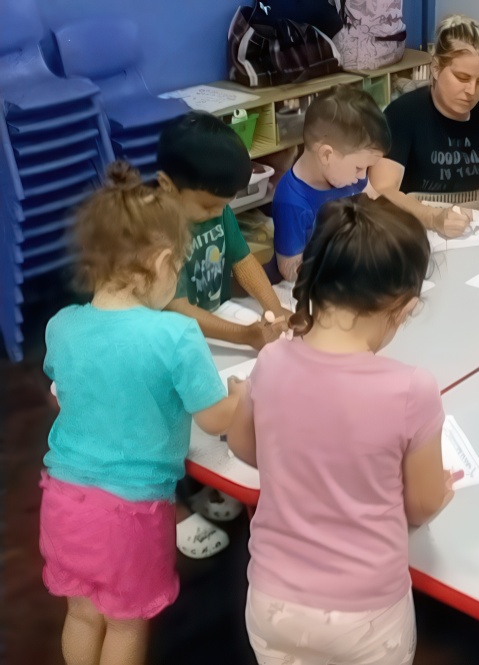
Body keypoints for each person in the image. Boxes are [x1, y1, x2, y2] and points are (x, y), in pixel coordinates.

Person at [227, 196, 454, 665]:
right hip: (366, 613)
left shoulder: (270, 362)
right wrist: (442, 491)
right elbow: (421, 504)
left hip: (272, 599)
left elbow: (244, 447)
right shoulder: (411, 389)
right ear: (404, 307)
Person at [40, 162, 243, 665]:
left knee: (83, 615)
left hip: (63, 502)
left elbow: (58, 393)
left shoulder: (62, 325)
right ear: (159, 260)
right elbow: (216, 421)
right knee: (127, 625)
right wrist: (240, 393)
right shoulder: (174, 335)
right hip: (131, 514)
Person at [370, 15, 479, 238]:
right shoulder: (402, 114)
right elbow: (381, 190)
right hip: (415, 234)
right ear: (435, 68)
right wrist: (433, 218)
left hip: (476, 234)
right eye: (462, 78)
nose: (472, 91)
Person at [157, 111, 291, 349]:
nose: (219, 213)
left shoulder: (217, 211)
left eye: (225, 205)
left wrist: (275, 309)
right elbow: (176, 307)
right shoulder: (158, 232)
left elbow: (244, 262)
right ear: (167, 185)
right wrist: (244, 335)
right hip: (177, 333)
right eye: (208, 206)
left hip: (217, 313)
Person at [271, 87, 388, 281]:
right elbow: (289, 268)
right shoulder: (291, 202)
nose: (362, 177)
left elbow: (376, 204)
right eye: (359, 167)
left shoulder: (348, 177)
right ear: (327, 155)